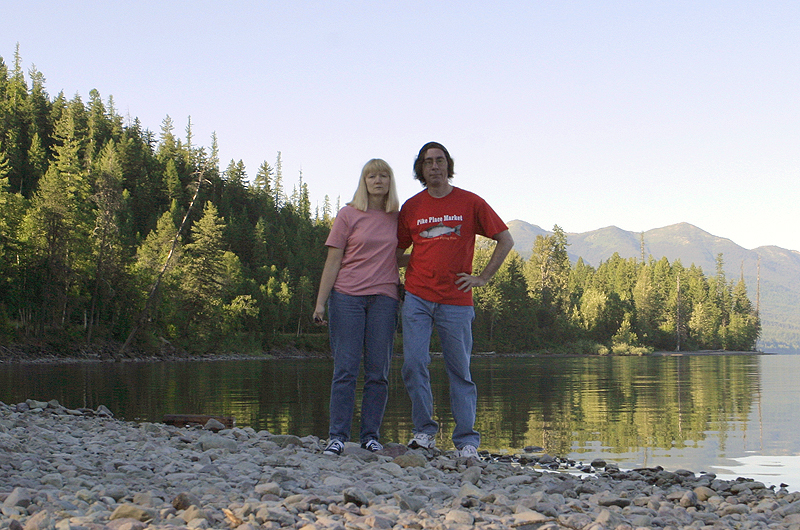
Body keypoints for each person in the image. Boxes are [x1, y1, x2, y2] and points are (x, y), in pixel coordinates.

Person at [397, 142, 514, 458]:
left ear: (448, 165)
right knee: (413, 363)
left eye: (439, 160)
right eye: (427, 162)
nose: (434, 166)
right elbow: (396, 252)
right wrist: (411, 265)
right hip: (418, 297)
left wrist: (483, 277)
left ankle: (466, 441)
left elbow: (506, 239)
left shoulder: (470, 202)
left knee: (460, 370)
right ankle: (424, 432)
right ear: (420, 169)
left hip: (457, 300)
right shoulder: (411, 207)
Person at [313, 158, 402, 456]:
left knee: (378, 372)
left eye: (383, 176)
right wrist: (320, 303)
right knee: (346, 370)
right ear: (363, 182)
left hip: (384, 299)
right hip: (347, 297)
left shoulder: (397, 218)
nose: (378, 181)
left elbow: (404, 254)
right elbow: (333, 260)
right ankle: (337, 436)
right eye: (371, 176)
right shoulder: (348, 215)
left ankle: (370, 437)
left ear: (390, 181)